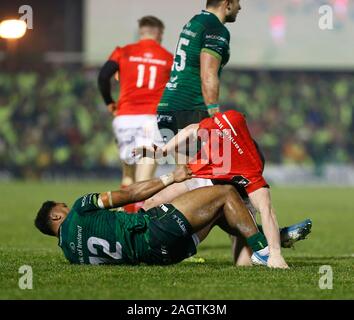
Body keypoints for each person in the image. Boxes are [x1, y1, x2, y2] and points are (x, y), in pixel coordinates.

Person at [135, 110, 312, 267]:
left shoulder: (249, 168)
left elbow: (267, 210)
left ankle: (267, 238)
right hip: (206, 178)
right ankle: (273, 237)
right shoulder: (228, 124)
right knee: (152, 202)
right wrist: (162, 152)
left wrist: (275, 255)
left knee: (243, 262)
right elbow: (191, 130)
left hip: (232, 196)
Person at [34, 165, 287, 268]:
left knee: (217, 211)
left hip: (163, 257)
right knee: (226, 194)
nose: (68, 207)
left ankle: (265, 236)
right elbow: (131, 193)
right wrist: (171, 178)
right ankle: (266, 250)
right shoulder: (80, 208)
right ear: (56, 216)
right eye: (62, 207)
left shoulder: (71, 255)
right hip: (154, 229)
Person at [98, 16, 173, 212]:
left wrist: (109, 102)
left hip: (125, 117)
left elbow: (103, 76)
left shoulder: (123, 52)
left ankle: (122, 215)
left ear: (141, 31)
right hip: (151, 118)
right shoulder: (167, 57)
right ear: (158, 32)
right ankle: (136, 222)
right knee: (145, 180)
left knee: (128, 175)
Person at [157, 0, 241, 144]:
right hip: (191, 110)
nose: (239, 7)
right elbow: (208, 75)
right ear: (227, 3)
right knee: (205, 165)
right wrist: (215, 115)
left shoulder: (195, 21)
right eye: (238, 2)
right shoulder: (215, 28)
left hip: (169, 106)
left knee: (184, 167)